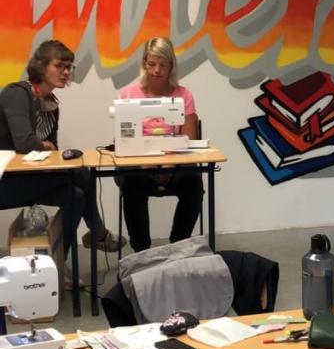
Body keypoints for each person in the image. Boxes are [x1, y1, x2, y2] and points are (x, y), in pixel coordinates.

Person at [0, 40, 123, 284]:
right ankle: (98, 232)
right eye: (59, 66)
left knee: (76, 196)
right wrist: (43, 146)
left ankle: (57, 264)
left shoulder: (51, 104)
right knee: (82, 174)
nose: (66, 72)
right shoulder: (16, 93)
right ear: (41, 66)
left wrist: (45, 147)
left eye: (69, 67)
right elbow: (25, 143)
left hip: (31, 177)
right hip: (7, 180)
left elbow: (53, 151)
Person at [117, 37, 203, 252]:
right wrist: (147, 166)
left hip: (174, 163)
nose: (157, 70)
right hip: (139, 164)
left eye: (163, 65)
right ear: (144, 63)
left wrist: (169, 166)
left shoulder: (184, 96)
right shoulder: (128, 95)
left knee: (194, 182)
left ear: (171, 66)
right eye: (152, 64)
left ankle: (178, 244)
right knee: (131, 183)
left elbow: (189, 139)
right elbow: (125, 141)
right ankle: (142, 251)